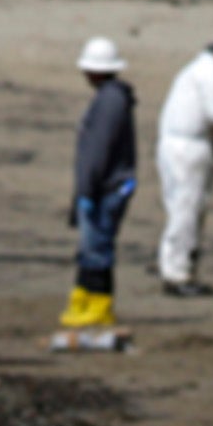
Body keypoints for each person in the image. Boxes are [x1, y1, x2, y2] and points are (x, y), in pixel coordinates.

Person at [61, 37, 137, 331]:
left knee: (96, 247)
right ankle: (86, 300)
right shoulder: (113, 98)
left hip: (105, 188)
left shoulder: (110, 101)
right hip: (107, 186)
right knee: (94, 246)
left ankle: (97, 305)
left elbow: (97, 151)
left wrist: (86, 191)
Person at [156, 36, 213, 297]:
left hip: (170, 144)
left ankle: (173, 267)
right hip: (190, 147)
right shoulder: (211, 72)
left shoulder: (192, 69)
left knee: (178, 207)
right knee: (187, 210)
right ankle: (179, 273)